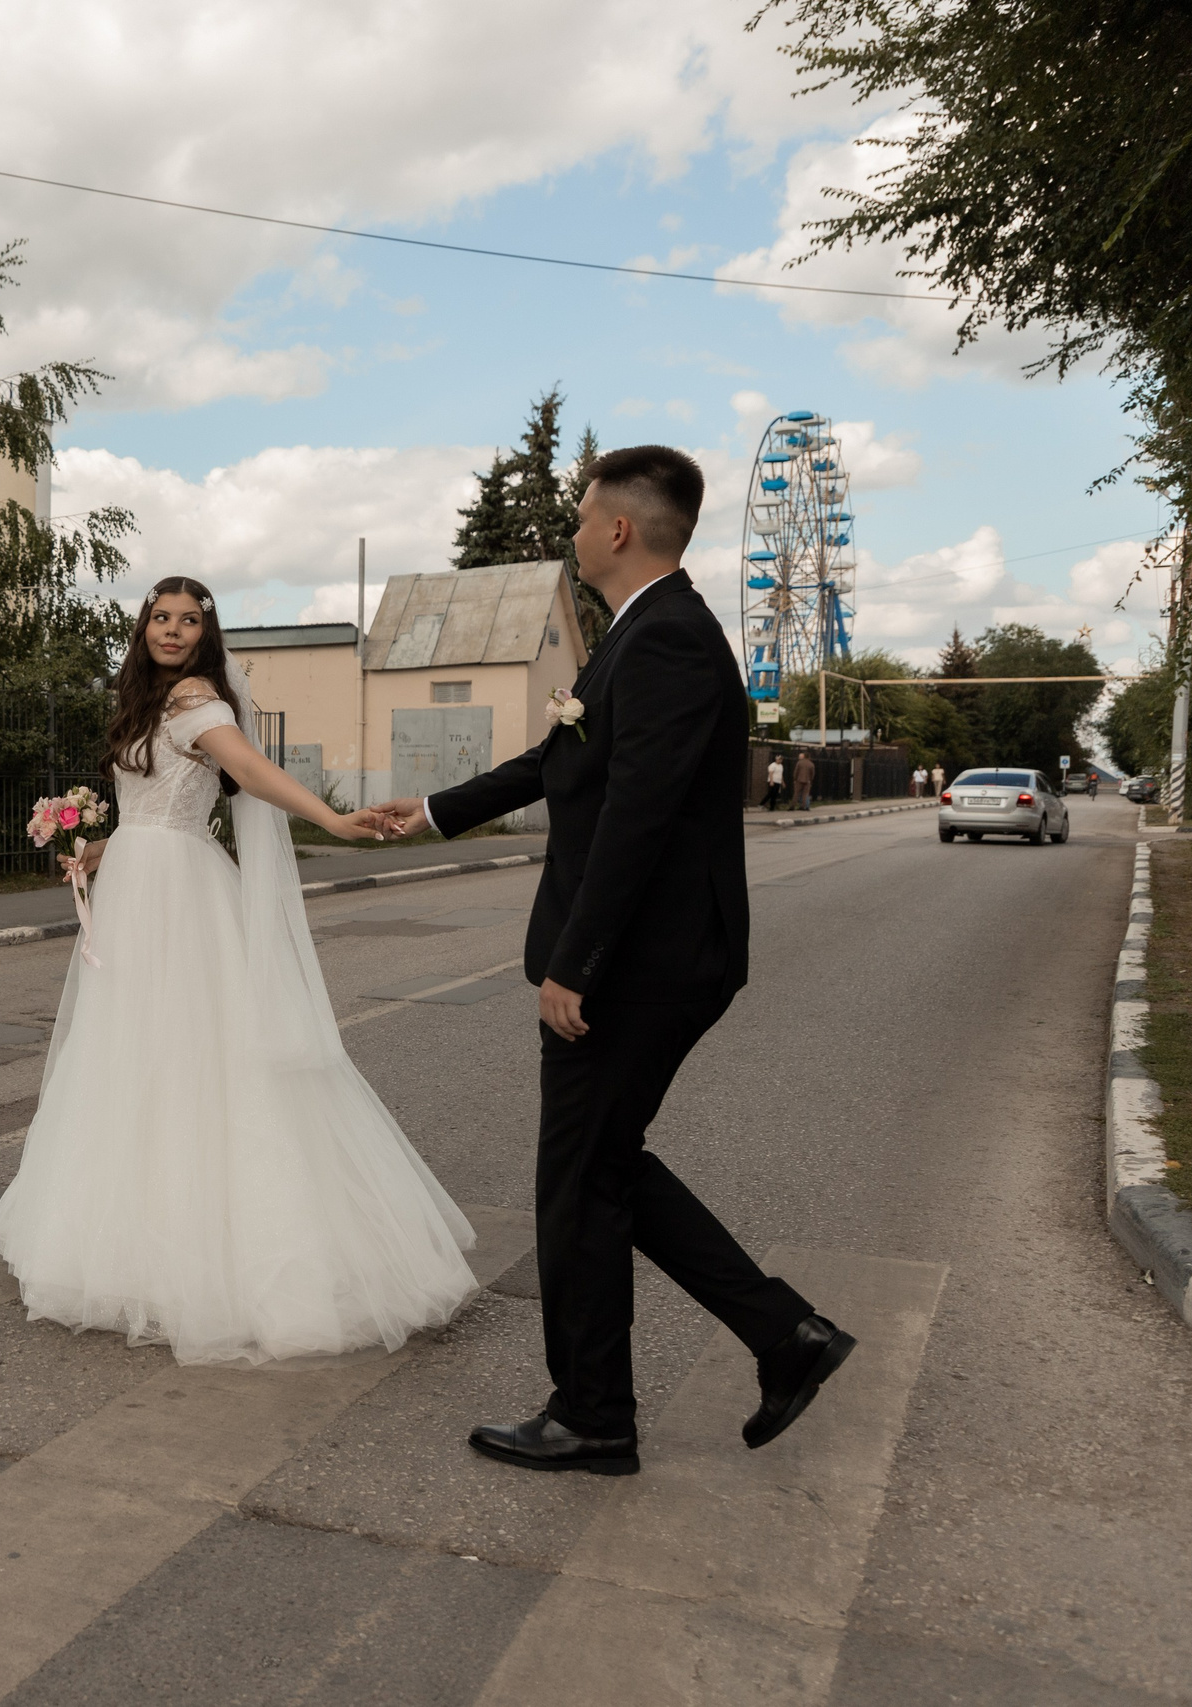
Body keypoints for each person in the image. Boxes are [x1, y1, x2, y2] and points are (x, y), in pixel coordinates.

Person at [369, 446, 849, 1476]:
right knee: (605, 1170)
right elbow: (563, 764)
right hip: (649, 957)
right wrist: (429, 811)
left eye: (583, 517)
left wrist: (576, 963)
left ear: (619, 530)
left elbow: (637, 819)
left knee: (578, 1187)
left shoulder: (667, 640)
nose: (575, 532)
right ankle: (783, 1336)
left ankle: (596, 1415)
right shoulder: (638, 636)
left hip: (639, 964)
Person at [0, 576, 477, 1365]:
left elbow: (248, 773)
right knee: (133, 1058)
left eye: (187, 620)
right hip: (139, 888)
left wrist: (332, 818)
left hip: (180, 900)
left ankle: (207, 1254)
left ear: (205, 635)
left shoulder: (195, 701)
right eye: (160, 617)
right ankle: (132, 1241)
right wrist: (98, 846)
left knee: (192, 1059)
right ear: (143, 626)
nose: (172, 630)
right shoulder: (149, 704)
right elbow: (154, 811)